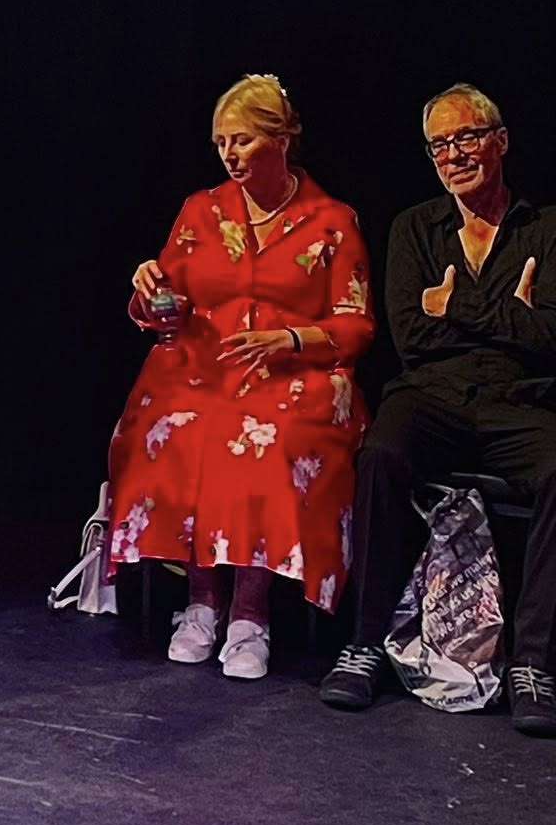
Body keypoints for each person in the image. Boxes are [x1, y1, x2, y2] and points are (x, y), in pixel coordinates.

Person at [106, 74, 374, 679]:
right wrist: (150, 292)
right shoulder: (200, 211)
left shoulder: (332, 221)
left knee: (260, 442)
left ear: (282, 140)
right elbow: (165, 311)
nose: (229, 154)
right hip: (201, 369)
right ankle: (201, 601)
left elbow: (356, 324)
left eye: (244, 140)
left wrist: (291, 339)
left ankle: (251, 613)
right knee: (179, 431)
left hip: (293, 374)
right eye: (222, 142)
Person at [320, 85, 556, 735]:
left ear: (500, 141)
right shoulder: (414, 228)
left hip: (519, 400)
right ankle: (365, 643)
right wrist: (512, 315)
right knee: (380, 454)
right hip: (433, 396)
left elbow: (552, 338)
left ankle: (534, 663)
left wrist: (454, 305)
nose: (454, 155)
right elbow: (411, 336)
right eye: (440, 145)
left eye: (467, 137)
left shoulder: (547, 229)